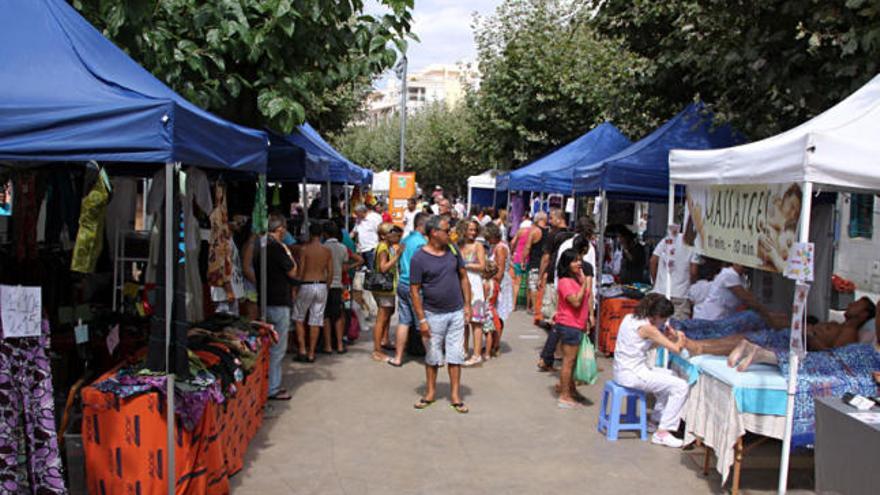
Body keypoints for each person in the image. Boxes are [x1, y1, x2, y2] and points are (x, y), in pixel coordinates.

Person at [410, 215, 472, 414]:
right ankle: (430, 393)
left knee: (456, 355)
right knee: (433, 356)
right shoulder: (419, 258)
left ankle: (455, 395)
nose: (450, 234)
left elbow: (464, 277)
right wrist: (422, 319)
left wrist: (467, 305)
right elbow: (414, 290)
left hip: (456, 312)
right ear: (434, 233)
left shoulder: (453, 251)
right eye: (446, 230)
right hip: (432, 314)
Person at [613, 294, 689, 447]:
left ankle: (655, 420)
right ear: (656, 316)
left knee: (670, 376)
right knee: (681, 386)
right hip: (633, 374)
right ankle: (663, 432)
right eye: (664, 319)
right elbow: (676, 349)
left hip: (623, 370)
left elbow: (644, 346)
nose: (664, 322)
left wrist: (664, 338)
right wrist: (680, 337)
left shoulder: (630, 318)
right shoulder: (649, 328)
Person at [257, 214, 299, 400]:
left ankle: (265, 384)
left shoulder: (259, 245)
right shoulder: (277, 248)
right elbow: (293, 270)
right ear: (280, 229)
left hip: (264, 299)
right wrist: (289, 253)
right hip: (279, 301)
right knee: (277, 348)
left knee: (266, 345)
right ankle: (272, 387)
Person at [388, 212, 429, 367]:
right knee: (422, 322)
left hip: (403, 283)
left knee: (404, 321)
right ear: (422, 225)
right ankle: (432, 357)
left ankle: (398, 357)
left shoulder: (405, 240)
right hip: (415, 286)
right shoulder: (421, 243)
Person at [554, 249, 593, 408]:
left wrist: (589, 317)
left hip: (578, 324)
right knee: (568, 362)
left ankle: (571, 390)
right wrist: (584, 284)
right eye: (575, 261)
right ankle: (564, 395)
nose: (579, 263)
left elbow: (586, 298)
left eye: (579, 260)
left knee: (573, 362)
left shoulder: (577, 278)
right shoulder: (565, 281)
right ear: (566, 264)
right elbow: (575, 301)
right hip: (569, 325)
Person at [692, 263, 787, 327]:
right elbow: (748, 299)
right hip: (710, 318)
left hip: (722, 318)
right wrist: (768, 315)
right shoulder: (729, 275)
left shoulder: (741, 278)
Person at [292, 222, 333, 363]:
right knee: (316, 320)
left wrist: (296, 287)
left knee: (299, 317)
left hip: (306, 284)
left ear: (310, 234)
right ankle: (311, 352)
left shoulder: (305, 250)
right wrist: (326, 287)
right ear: (321, 234)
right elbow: (330, 273)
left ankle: (302, 349)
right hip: (321, 285)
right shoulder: (327, 251)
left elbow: (301, 271)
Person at [323, 222, 362, 354]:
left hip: (326, 285)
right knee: (342, 312)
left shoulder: (323, 247)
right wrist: (346, 268)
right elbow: (358, 260)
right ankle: (341, 342)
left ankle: (328, 345)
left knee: (326, 315)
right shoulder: (343, 248)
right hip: (343, 285)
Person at [649, 228, 700, 319]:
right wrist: (693, 286)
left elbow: (653, 260)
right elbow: (693, 271)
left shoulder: (668, 239)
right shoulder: (695, 245)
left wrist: (655, 282)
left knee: (658, 324)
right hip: (681, 294)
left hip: (661, 290)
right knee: (677, 328)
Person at [457, 220, 487, 366]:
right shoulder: (459, 244)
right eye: (470, 230)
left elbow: (482, 266)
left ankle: (476, 354)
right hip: (461, 283)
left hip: (475, 284)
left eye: (475, 230)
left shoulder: (478, 245)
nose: (473, 233)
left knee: (476, 322)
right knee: (463, 321)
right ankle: (463, 350)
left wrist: (465, 264)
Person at [371, 223, 402, 362]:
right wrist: (397, 256)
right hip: (384, 288)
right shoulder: (383, 248)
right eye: (391, 232)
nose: (395, 235)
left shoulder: (386, 246)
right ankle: (377, 350)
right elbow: (383, 268)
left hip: (388, 288)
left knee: (388, 313)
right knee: (382, 318)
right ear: (384, 235)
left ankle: (384, 340)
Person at [485, 222, 513, 356]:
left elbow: (500, 270)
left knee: (497, 315)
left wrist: (493, 286)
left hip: (500, 284)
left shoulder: (500, 248)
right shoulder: (499, 246)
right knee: (495, 314)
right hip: (500, 282)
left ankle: (495, 345)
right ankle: (494, 343)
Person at [525, 212, 548, 319]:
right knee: (542, 287)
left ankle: (535, 308)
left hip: (534, 262)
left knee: (533, 286)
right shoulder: (549, 232)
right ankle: (539, 308)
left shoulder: (534, 232)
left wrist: (523, 260)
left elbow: (528, 247)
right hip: (545, 263)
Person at [510, 213, 533, 310]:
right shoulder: (533, 232)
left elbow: (512, 242)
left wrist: (512, 252)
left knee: (516, 282)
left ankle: (514, 305)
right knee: (529, 283)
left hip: (518, 258)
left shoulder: (520, 231)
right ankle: (528, 306)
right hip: (529, 258)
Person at [352, 204, 382, 269]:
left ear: (362, 212)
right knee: (362, 271)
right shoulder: (358, 219)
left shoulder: (374, 218)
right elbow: (354, 232)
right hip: (361, 249)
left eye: (357, 213)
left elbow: (380, 231)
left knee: (371, 270)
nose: (355, 215)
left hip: (371, 248)